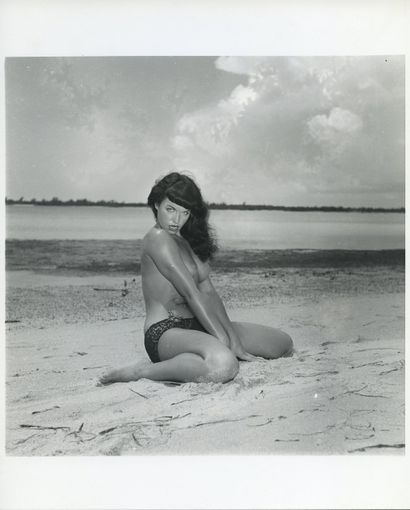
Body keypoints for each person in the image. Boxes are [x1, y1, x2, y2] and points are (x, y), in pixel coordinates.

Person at [99, 172, 293, 385]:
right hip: (166, 332)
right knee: (224, 365)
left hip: (199, 325)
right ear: (156, 205)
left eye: (184, 212)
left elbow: (209, 293)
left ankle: (189, 361)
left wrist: (233, 338)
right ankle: (142, 371)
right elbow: (191, 293)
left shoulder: (184, 242)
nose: (176, 220)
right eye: (170, 209)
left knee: (281, 343)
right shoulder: (157, 239)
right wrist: (222, 339)